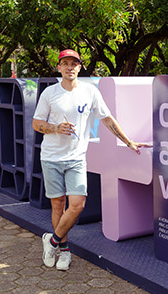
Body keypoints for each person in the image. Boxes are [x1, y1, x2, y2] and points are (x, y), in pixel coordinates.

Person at [32, 49, 151, 271]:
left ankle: (52, 241)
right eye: (65, 63)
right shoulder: (49, 93)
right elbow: (37, 124)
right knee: (58, 205)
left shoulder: (90, 92)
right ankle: (64, 251)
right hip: (51, 158)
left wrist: (129, 142)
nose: (69, 67)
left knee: (77, 205)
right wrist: (56, 128)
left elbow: (107, 119)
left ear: (80, 67)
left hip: (76, 158)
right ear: (59, 67)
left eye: (74, 64)